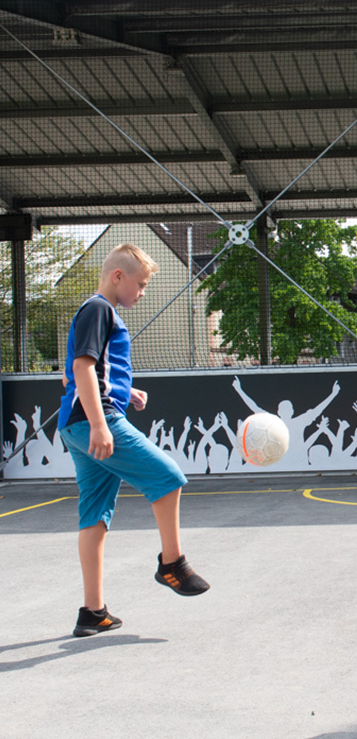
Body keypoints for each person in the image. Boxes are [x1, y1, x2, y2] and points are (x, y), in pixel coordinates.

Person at [58, 243, 209, 638]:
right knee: (168, 476)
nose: (142, 293)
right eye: (140, 285)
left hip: (78, 422)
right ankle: (171, 564)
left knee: (94, 515)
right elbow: (81, 368)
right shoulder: (99, 309)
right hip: (93, 421)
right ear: (117, 277)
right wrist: (99, 422)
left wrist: (127, 393)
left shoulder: (94, 313)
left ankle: (92, 612)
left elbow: (71, 376)